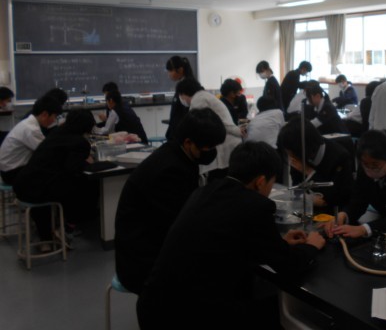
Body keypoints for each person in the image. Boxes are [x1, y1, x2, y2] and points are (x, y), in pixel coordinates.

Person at [136, 142, 325, 329]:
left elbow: (226, 239)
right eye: (271, 183)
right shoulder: (255, 206)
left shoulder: (205, 192)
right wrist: (311, 246)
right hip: (192, 316)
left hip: (155, 305)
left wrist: (279, 242)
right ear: (260, 182)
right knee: (270, 310)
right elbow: (288, 266)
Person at [115, 108, 226, 294]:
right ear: (188, 142)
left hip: (149, 246)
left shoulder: (177, 155)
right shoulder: (170, 172)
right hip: (142, 263)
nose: (212, 152)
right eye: (208, 148)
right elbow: (180, 226)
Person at [12, 109, 98, 243]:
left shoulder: (56, 132)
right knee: (87, 185)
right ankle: (68, 229)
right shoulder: (80, 142)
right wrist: (87, 162)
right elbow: (73, 169)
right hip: (37, 191)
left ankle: (51, 231)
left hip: (22, 183)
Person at [277, 116, 353, 210]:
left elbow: (338, 197)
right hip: (307, 209)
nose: (290, 157)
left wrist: (308, 171)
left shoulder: (339, 157)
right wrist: (310, 199)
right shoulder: (297, 155)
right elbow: (296, 189)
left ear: (303, 147)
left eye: (291, 152)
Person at [176, 78, 242, 173]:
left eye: (180, 95)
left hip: (225, 143)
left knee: (219, 176)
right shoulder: (203, 96)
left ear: (184, 93)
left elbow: (196, 125)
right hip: (226, 142)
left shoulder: (198, 99)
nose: (181, 98)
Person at [0, 95, 63, 184]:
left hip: (9, 170)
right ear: (45, 114)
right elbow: (47, 152)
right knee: (56, 172)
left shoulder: (28, 123)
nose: (54, 121)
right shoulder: (31, 129)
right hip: (12, 173)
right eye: (55, 116)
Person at [165, 55, 194, 140]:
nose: (169, 74)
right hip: (177, 132)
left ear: (180, 70)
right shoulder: (182, 84)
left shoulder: (187, 85)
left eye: (170, 70)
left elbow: (186, 113)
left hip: (182, 134)